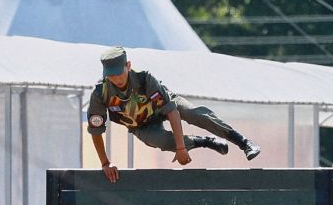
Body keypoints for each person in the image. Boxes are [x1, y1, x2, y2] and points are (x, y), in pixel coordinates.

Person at [88, 46, 260, 183]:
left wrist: (181, 148)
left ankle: (244, 142)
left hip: (164, 107)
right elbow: (96, 130)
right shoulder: (100, 93)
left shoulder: (144, 80)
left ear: (128, 66)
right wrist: (105, 163)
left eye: (119, 73)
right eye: (111, 75)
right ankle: (206, 141)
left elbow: (171, 111)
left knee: (195, 114)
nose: (116, 79)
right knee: (163, 141)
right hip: (141, 125)